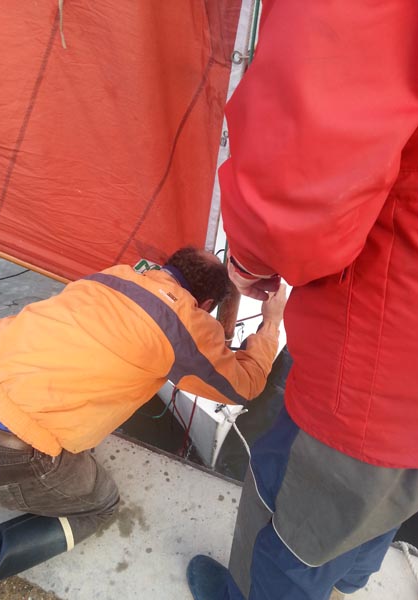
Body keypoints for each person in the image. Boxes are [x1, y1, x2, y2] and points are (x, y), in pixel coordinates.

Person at [187, 2, 418, 600]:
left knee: (287, 528)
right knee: (383, 502)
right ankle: (347, 584)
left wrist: (249, 262)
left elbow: (300, 178)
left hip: (376, 368)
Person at [0, 245, 286, 596]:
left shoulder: (113, 275)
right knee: (100, 505)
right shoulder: (185, 324)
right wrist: (271, 322)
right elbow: (245, 385)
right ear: (207, 304)